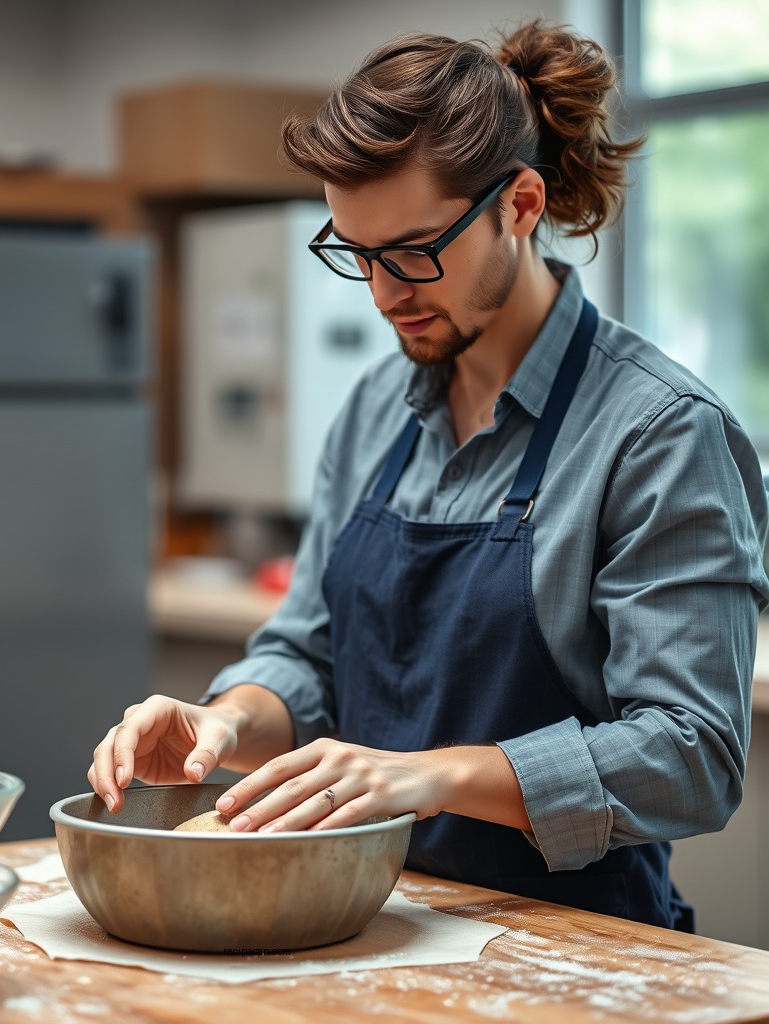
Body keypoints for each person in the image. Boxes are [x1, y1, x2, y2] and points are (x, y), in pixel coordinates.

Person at [89, 19, 769, 930]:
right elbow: (309, 653)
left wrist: (431, 775)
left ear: (520, 206)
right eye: (357, 255)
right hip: (368, 921)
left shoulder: (659, 432)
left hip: (578, 948)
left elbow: (693, 753)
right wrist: (226, 722)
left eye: (413, 251)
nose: (383, 294)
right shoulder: (376, 408)